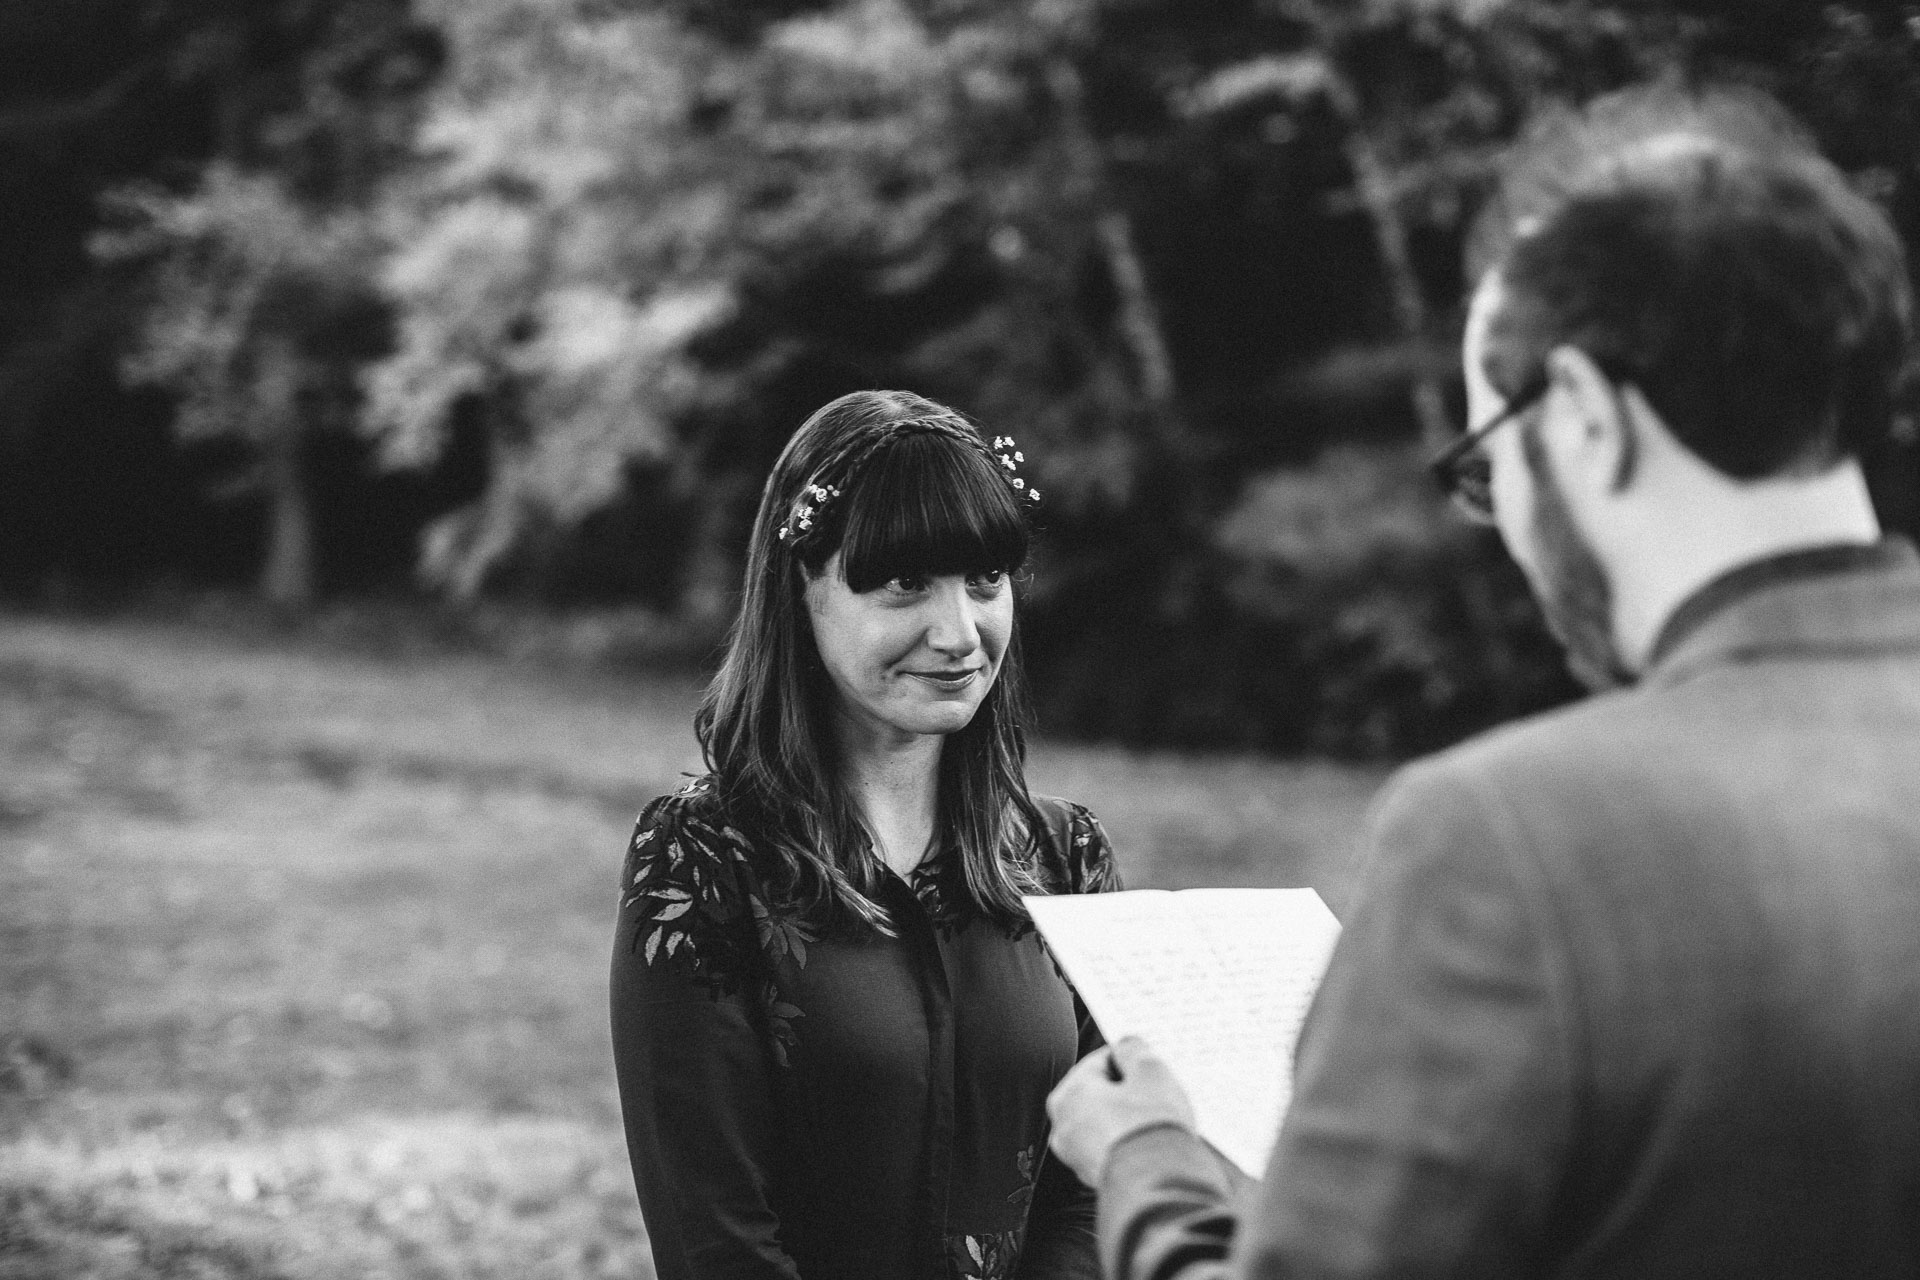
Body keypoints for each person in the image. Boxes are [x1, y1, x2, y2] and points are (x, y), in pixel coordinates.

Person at [1045, 85, 1920, 1278]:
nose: (1498, 520)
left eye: (1483, 464)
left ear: (1586, 417)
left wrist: (1147, 1157)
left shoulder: (1510, 840)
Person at [610, 389, 1121, 1280]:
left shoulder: (1065, 856)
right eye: (905, 584)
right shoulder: (704, 863)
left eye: (985, 580)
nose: (959, 633)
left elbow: (1090, 1186)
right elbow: (715, 1242)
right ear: (801, 589)